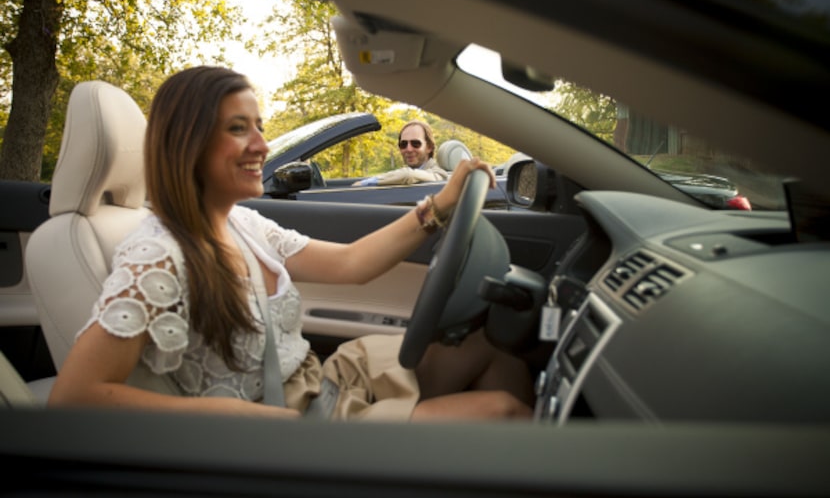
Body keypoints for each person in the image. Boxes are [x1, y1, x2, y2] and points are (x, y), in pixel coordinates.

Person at [48, 66, 534, 421]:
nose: (261, 144)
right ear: (188, 143)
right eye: (239, 128)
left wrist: (438, 207)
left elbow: (351, 263)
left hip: (321, 380)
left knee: (490, 347)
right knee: (503, 411)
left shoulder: (242, 223)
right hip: (293, 429)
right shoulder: (157, 257)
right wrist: (239, 418)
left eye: (258, 126)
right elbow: (74, 397)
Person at [352, 120, 448, 186]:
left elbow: (408, 175)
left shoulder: (440, 172)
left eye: (415, 144)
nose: (408, 149)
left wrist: (363, 184)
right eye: (403, 144)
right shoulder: (406, 173)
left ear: (429, 147)